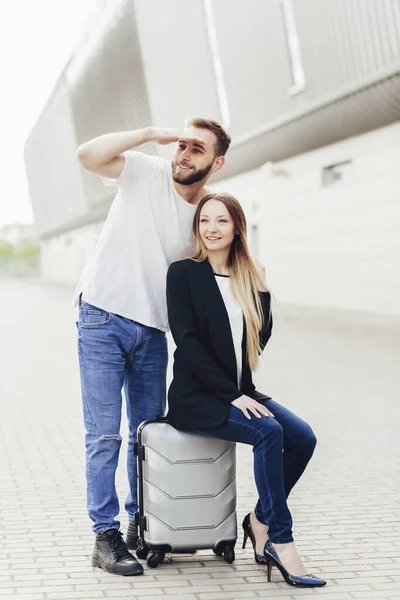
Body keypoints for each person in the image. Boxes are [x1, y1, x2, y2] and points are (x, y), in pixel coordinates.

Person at [73, 119, 231, 576]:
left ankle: (138, 526)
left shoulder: (206, 214)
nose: (184, 154)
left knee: (147, 435)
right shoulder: (145, 170)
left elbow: (217, 272)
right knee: (104, 434)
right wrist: (147, 133)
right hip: (101, 316)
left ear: (216, 162)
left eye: (196, 149)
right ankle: (104, 536)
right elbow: (87, 155)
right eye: (181, 144)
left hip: (153, 331)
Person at [166, 193, 326, 588]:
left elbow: (259, 335)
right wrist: (228, 393)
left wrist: (261, 287)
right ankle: (281, 541)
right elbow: (186, 341)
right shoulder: (183, 273)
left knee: (303, 438)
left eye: (221, 221)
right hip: (197, 396)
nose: (212, 229)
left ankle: (259, 519)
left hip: (240, 391)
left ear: (237, 227)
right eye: (205, 221)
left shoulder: (250, 276)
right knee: (268, 432)